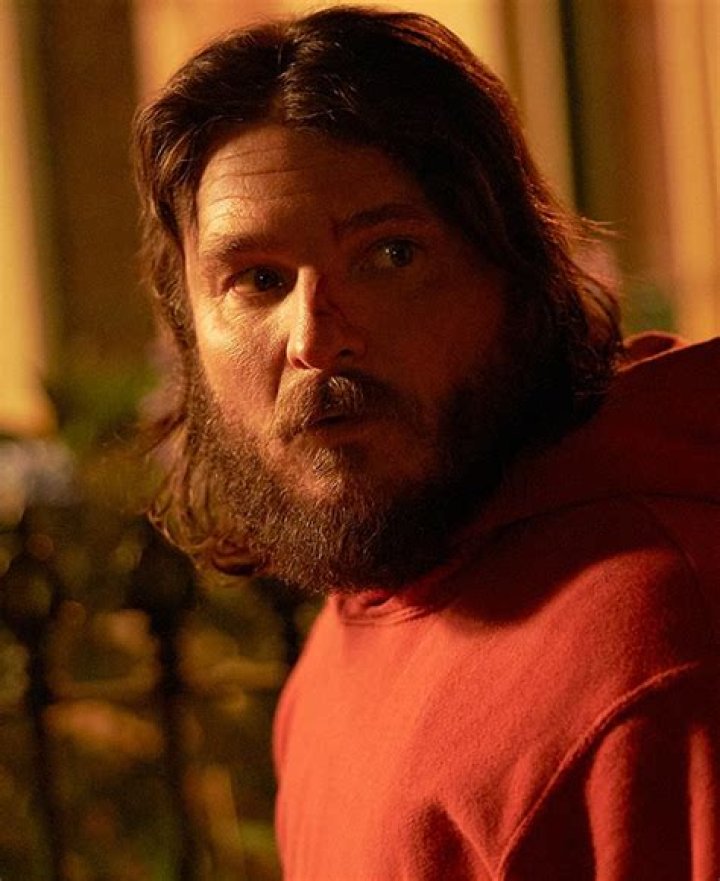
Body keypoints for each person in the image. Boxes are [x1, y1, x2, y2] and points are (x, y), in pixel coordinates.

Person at [132, 6, 719, 879]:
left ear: (516, 278)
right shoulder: (362, 611)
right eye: (257, 279)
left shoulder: (654, 655)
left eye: (391, 255)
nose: (316, 338)